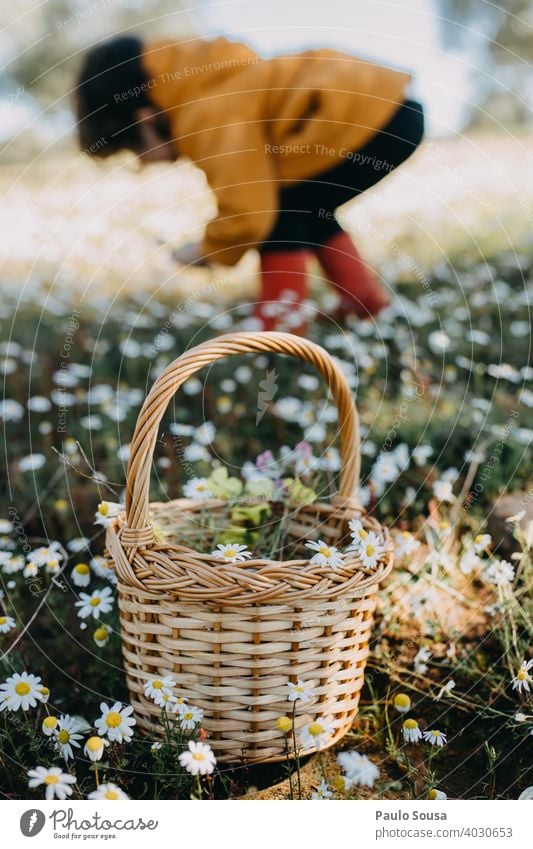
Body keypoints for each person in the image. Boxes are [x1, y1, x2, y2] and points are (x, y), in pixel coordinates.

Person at [76, 35, 424, 330]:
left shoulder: (204, 113)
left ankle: (279, 330)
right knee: (303, 204)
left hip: (370, 120)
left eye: (134, 149)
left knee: (280, 213)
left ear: (145, 119)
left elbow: (248, 213)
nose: (143, 162)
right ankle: (364, 305)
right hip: (390, 110)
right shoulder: (216, 83)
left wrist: (206, 250)